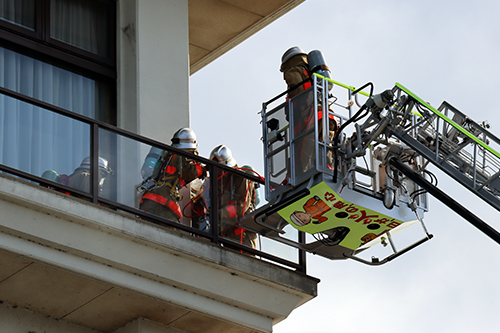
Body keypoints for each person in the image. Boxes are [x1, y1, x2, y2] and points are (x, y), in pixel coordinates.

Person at [280, 47, 338, 174]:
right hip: (327, 114)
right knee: (325, 142)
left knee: (305, 155)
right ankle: (327, 166)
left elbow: (299, 93)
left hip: (310, 117)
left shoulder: (292, 71)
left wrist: (291, 109)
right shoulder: (311, 71)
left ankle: (305, 176)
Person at [138, 128, 206, 223]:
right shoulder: (179, 156)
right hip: (164, 201)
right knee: (170, 232)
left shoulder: (167, 156)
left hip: (149, 198)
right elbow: (189, 172)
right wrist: (203, 169)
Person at [209, 145, 258, 249]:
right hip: (227, 236)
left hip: (243, 235)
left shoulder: (241, 177)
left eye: (218, 168)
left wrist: (220, 214)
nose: (216, 172)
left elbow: (242, 205)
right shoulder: (217, 184)